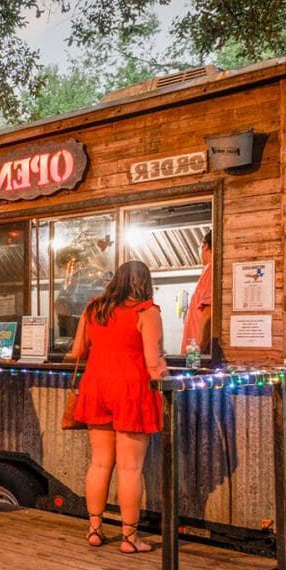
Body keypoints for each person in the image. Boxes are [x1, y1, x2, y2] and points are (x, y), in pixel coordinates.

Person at [66, 260, 170, 553]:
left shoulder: (93, 309)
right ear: (145, 283)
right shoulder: (147, 312)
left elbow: (76, 351)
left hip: (96, 386)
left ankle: (95, 530)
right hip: (131, 390)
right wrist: (170, 380)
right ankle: (129, 538)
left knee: (99, 462)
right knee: (130, 467)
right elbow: (154, 362)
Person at [181, 230, 214, 361]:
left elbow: (208, 316)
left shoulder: (211, 270)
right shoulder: (211, 271)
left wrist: (194, 359)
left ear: (205, 246)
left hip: (197, 358)